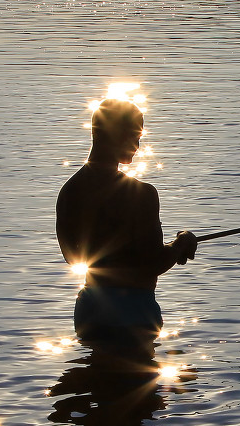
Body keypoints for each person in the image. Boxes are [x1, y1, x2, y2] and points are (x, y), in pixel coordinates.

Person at [56, 98, 198, 341]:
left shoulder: (70, 190)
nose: (138, 145)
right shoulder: (141, 194)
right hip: (133, 311)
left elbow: (73, 258)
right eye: (135, 136)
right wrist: (180, 244)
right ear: (116, 134)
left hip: (90, 308)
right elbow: (152, 264)